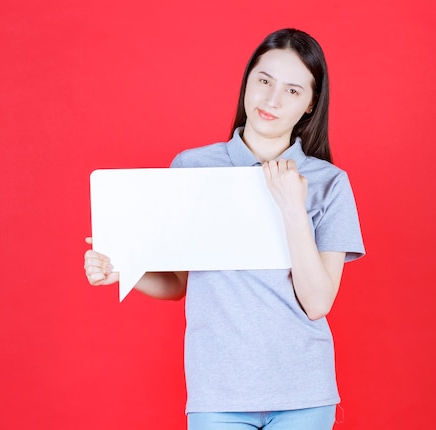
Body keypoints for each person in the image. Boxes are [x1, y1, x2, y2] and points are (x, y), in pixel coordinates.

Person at [84, 28, 365, 430]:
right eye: (264, 81)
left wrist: (292, 209)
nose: (271, 100)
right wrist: (123, 268)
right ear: (247, 81)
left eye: (292, 91)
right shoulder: (191, 168)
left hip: (304, 391)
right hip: (217, 392)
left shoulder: (328, 182)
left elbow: (318, 302)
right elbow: (180, 283)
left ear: (310, 105)